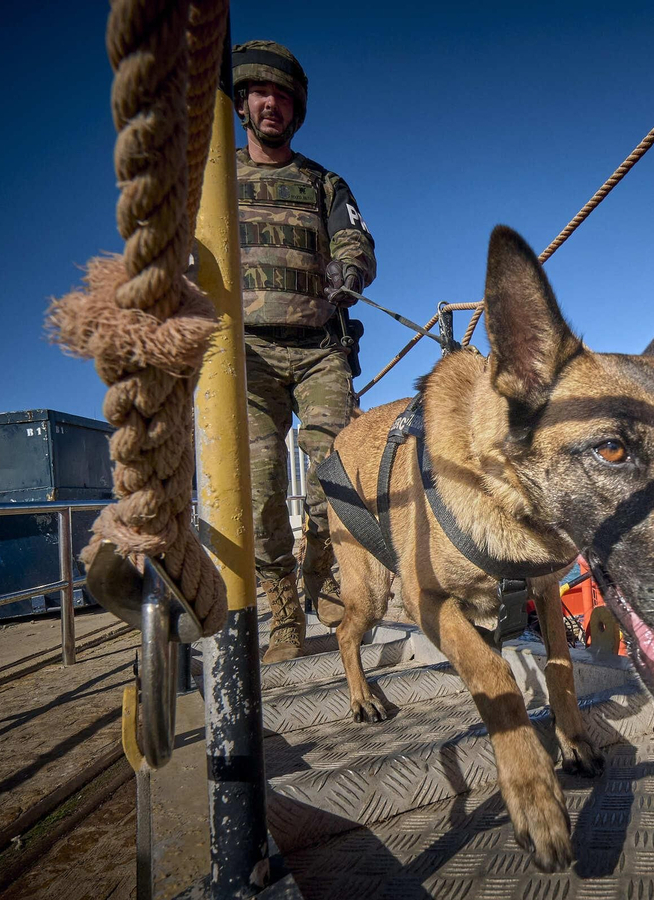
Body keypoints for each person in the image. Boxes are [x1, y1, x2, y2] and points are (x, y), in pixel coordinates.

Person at [232, 40, 375, 662]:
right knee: (260, 490)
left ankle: (321, 571)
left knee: (334, 479)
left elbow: (357, 242)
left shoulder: (324, 182)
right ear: (242, 103)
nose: (272, 104)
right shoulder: (216, 181)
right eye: (261, 92)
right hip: (248, 358)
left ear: (297, 109)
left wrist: (348, 269)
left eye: (283, 96)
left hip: (319, 350)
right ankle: (283, 610)